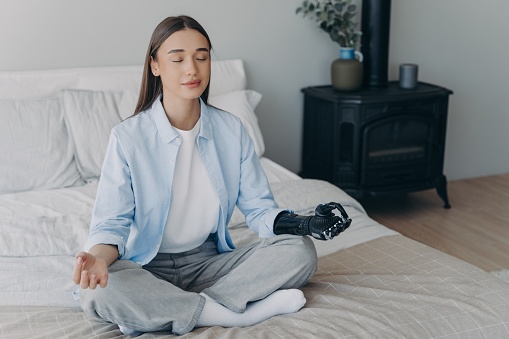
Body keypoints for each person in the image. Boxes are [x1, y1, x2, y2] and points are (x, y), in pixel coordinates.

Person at [72, 15, 351, 336]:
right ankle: (236, 315)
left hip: (210, 263)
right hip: (146, 266)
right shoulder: (127, 137)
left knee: (299, 250)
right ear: (155, 66)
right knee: (98, 289)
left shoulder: (232, 130)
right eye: (177, 59)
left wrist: (305, 224)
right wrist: (98, 260)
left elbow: (259, 210)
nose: (192, 68)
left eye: (201, 57)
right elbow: (111, 224)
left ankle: (165, 310)